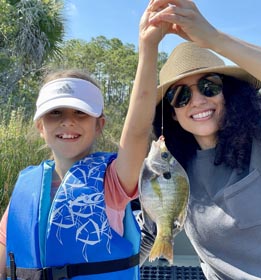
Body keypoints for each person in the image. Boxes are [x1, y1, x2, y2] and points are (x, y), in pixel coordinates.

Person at [138, 0, 261, 279]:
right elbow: (148, 237)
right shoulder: (168, 171)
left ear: (229, 92)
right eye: (180, 96)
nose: (198, 101)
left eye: (209, 86)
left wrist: (214, 38)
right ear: (173, 114)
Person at [0, 66, 157, 278]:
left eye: (80, 112)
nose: (67, 121)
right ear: (40, 127)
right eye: (55, 113)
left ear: (99, 125)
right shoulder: (27, 189)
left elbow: (138, 131)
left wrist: (148, 46)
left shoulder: (113, 181)